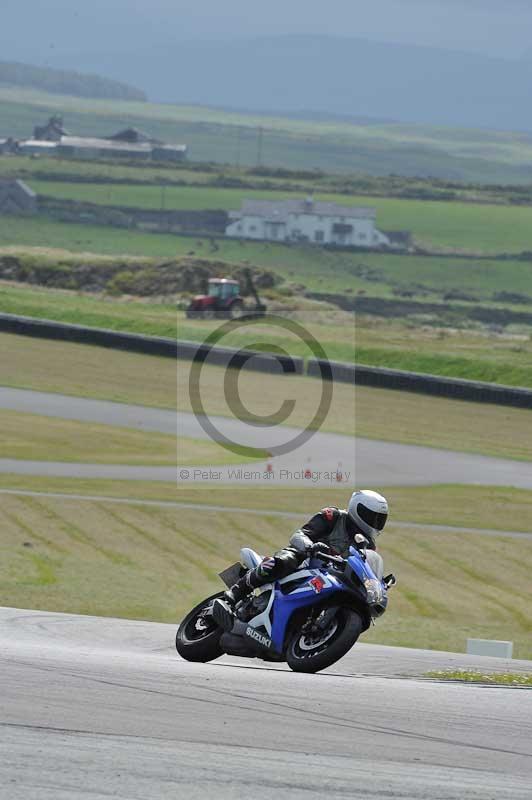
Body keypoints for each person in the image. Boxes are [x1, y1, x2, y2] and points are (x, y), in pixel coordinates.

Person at [214, 490, 389, 628]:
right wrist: (310, 546)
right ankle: (232, 596)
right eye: (371, 516)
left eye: (380, 519)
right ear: (357, 509)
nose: (375, 522)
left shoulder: (368, 545)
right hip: (306, 560)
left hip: (330, 578)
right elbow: (300, 535)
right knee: (284, 560)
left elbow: (364, 568)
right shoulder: (334, 516)